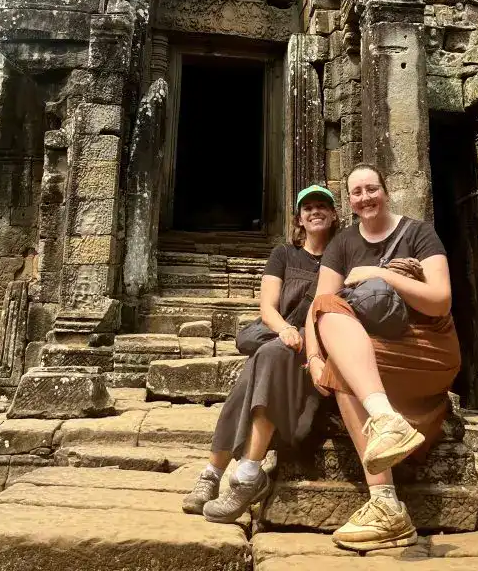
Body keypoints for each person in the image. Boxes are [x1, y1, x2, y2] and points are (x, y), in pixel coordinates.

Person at [305, 162, 461, 553]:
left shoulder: (419, 233)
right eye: (356, 192)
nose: (365, 198)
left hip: (427, 346)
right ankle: (385, 422)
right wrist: (314, 357)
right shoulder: (343, 243)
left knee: (344, 367)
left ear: (385, 191)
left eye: (371, 189)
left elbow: (441, 301)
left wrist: (385, 275)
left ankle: (386, 505)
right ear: (350, 201)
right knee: (330, 321)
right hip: (376, 348)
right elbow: (318, 306)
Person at [182, 184, 340, 523]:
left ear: (333, 214)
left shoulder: (342, 256)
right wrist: (284, 329)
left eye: (322, 206)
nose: (315, 211)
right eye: (308, 207)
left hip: (319, 342)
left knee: (263, 360)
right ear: (299, 218)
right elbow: (267, 307)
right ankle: (218, 474)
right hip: (281, 335)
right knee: (261, 363)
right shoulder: (283, 255)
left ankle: (241, 475)